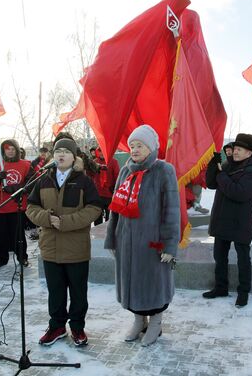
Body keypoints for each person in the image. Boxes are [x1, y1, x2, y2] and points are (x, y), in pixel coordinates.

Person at [105, 125, 180, 347]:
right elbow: (115, 209)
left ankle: (155, 323)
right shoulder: (125, 171)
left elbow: (172, 210)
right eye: (132, 146)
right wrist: (112, 238)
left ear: (151, 148)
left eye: (140, 145)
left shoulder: (163, 170)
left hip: (153, 243)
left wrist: (169, 246)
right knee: (132, 284)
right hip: (126, 242)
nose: (135, 150)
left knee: (154, 284)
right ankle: (139, 321)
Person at [27, 138, 102, 346]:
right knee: (55, 292)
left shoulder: (83, 180)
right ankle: (57, 327)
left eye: (66, 152)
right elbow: (31, 207)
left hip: (76, 248)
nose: (61, 155)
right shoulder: (43, 179)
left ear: (74, 157)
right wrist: (46, 219)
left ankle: (77, 328)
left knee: (78, 293)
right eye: (58, 151)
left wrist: (66, 222)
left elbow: (95, 208)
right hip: (50, 248)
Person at [203, 133, 252, 307]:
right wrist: (213, 164)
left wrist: (222, 176)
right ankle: (221, 287)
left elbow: (239, 193)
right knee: (219, 256)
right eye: (235, 148)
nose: (235, 152)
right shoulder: (227, 165)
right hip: (222, 218)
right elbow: (211, 183)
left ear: (249, 153)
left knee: (243, 257)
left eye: (240, 149)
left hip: (240, 221)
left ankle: (243, 292)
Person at [0, 139, 33, 269]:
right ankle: (1, 259)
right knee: (1, 236)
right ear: (3, 150)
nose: (10, 151)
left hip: (18, 206)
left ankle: (22, 257)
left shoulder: (26, 164)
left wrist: (15, 188)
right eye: (7, 149)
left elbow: (31, 183)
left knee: (19, 235)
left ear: (17, 150)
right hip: (1, 206)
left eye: (13, 149)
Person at [92, 147, 120, 225]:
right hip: (98, 195)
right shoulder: (94, 162)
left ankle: (108, 234)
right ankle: (97, 235)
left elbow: (117, 177)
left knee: (110, 219)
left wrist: (115, 190)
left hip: (109, 195)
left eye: (103, 151)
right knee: (97, 219)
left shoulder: (114, 162)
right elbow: (90, 177)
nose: (101, 154)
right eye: (100, 151)